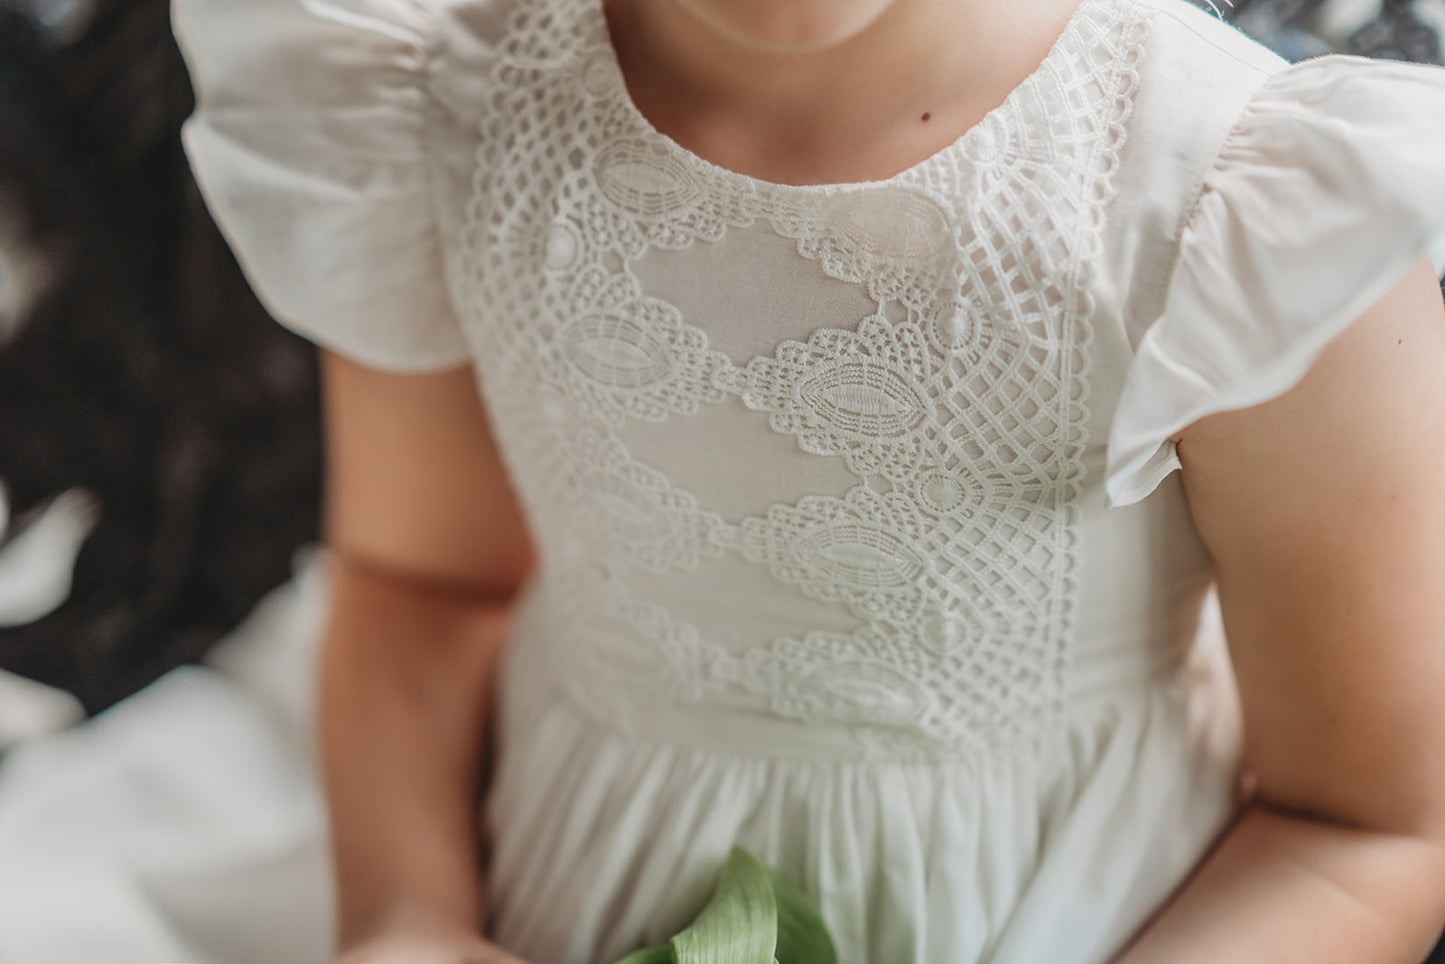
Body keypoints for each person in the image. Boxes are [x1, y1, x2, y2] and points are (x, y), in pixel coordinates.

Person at [171, 0, 1445, 959]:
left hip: (1081, 909)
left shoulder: (1236, 205)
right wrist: (406, 919)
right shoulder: (425, 96)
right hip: (555, 871)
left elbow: (1371, 827)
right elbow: (419, 577)